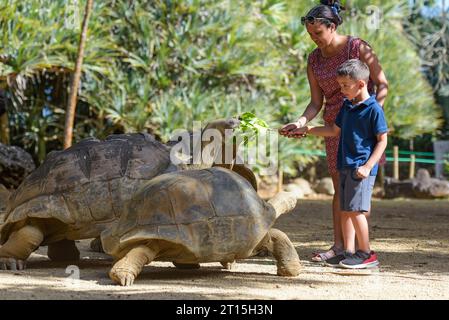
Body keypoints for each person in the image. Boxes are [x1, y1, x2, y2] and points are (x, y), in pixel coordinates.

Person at [279, 0, 388, 262]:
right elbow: (316, 102)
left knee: (357, 189)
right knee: (340, 188)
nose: (314, 38)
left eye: (318, 33)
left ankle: (361, 251)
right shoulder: (314, 59)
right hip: (334, 126)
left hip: (362, 128)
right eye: (309, 34)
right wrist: (301, 123)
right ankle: (341, 248)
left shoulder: (357, 47)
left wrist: (371, 113)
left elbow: (382, 84)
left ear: (332, 26)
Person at [288, 59, 387, 268]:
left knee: (356, 210)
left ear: (361, 84)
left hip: (361, 168)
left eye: (345, 86)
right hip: (345, 164)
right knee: (344, 209)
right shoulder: (347, 106)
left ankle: (366, 253)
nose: (342, 90)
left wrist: (368, 166)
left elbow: (382, 141)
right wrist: (305, 130)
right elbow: (334, 130)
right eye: (340, 85)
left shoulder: (373, 109)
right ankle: (347, 252)